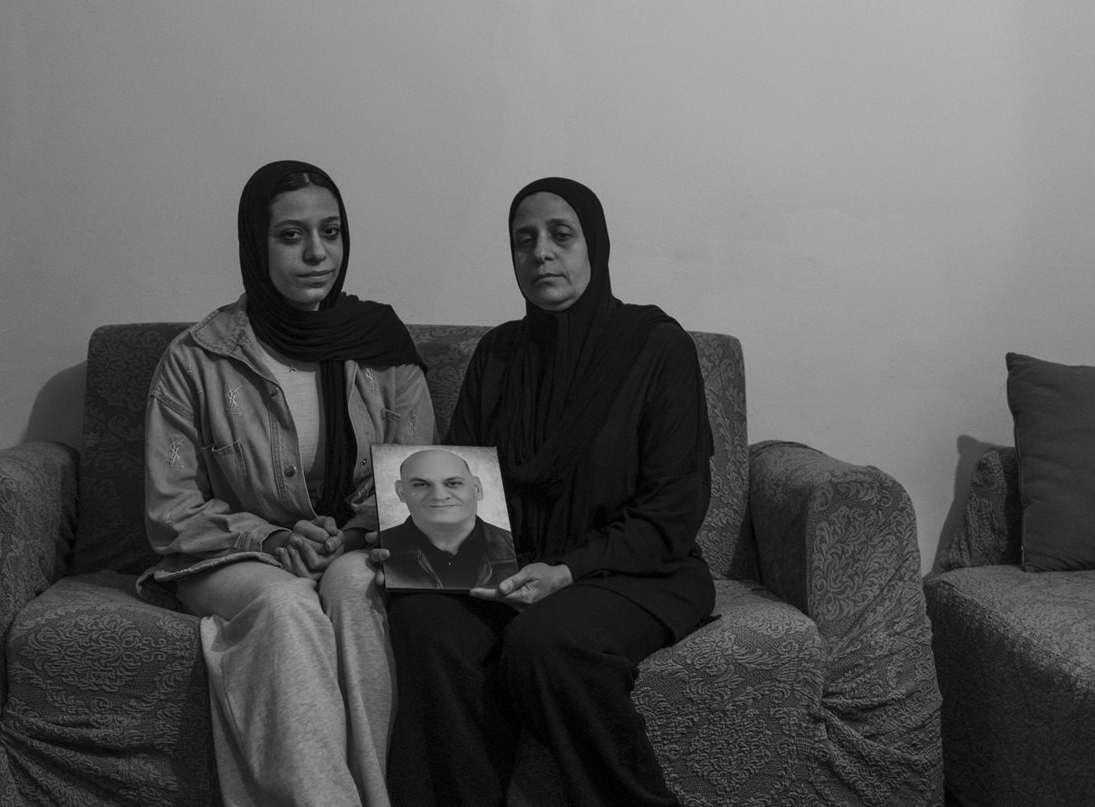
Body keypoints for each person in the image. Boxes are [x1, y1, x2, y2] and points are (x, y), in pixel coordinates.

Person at [385, 177, 715, 807]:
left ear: (596, 246)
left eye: (561, 235)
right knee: (424, 619)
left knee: (547, 643)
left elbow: (672, 511)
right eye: (523, 241)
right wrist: (425, 550)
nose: (541, 253)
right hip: (513, 572)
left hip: (632, 570)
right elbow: (460, 490)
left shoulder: (657, 347)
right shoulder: (499, 354)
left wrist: (567, 571)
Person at [143, 160, 434, 807]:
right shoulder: (199, 358)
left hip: (354, 544)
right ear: (256, 245)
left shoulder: (381, 345)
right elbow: (171, 510)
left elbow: (411, 480)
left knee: (358, 594)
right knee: (285, 605)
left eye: (330, 232)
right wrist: (271, 540)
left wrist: (350, 534)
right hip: (232, 555)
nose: (317, 253)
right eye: (291, 236)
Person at [382, 447, 520, 591]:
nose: (439, 495)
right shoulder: (382, 551)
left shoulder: (516, 546)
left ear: (477, 489)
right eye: (421, 484)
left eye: (453, 483)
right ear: (401, 492)